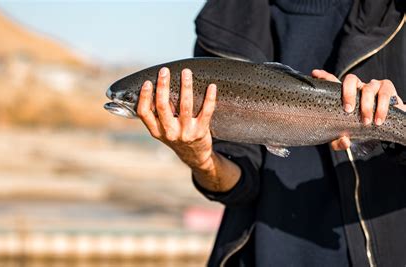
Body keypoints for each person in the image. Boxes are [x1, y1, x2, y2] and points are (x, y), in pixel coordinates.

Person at [137, 0, 405, 266]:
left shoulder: (397, 11)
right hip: (260, 253)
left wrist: (397, 124)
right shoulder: (225, 16)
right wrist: (199, 158)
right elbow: (239, 182)